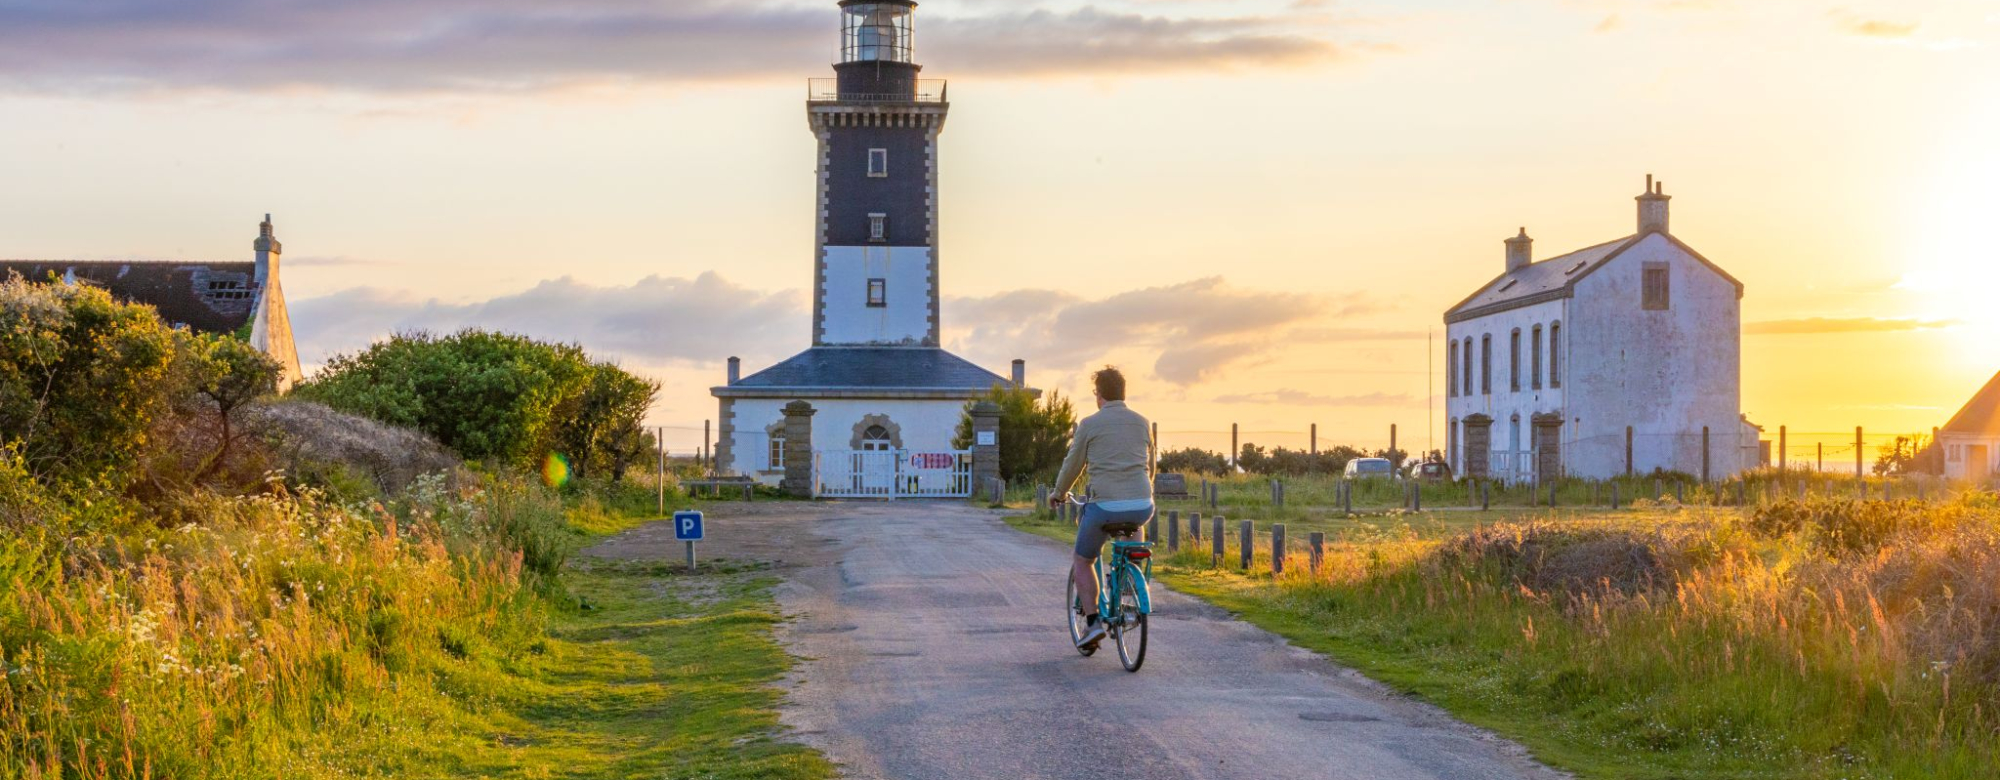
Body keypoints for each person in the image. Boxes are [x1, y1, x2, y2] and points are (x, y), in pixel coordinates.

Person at [1048, 366, 1155, 649]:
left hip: (1104, 505)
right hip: (1143, 504)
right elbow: (1151, 468)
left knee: (1084, 560)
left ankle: (1093, 621)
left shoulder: (1089, 424)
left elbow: (1073, 465)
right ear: (1123, 393)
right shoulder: (1142, 422)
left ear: (1100, 395)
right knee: (1132, 534)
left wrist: (1059, 493)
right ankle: (1129, 581)